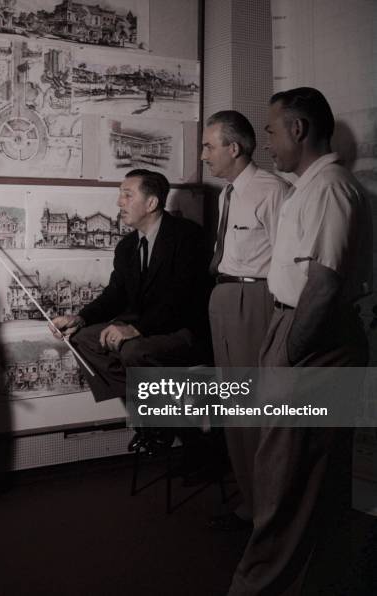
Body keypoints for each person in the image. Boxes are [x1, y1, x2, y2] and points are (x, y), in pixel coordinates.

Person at [227, 87, 372, 595]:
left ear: (298, 129)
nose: (265, 141)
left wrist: (289, 352)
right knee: (311, 482)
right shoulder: (310, 187)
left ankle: (256, 587)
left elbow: (324, 284)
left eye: (269, 129)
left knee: (283, 483)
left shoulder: (329, 187)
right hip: (299, 330)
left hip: (314, 337)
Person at [50, 169, 210, 455]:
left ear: (151, 203)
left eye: (127, 194)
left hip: (184, 330)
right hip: (147, 330)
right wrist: (80, 318)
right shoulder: (126, 247)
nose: (119, 202)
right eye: (119, 194)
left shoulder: (188, 237)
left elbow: (183, 300)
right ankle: (164, 417)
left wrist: (135, 329)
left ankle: (160, 423)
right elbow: (115, 295)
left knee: (132, 352)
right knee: (83, 339)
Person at [201, 110, 289, 531]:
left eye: (208, 146)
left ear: (233, 148)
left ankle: (269, 510)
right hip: (224, 294)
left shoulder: (272, 190)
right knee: (231, 402)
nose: (204, 155)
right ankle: (249, 501)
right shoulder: (227, 194)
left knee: (256, 404)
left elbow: (288, 261)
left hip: (256, 297)